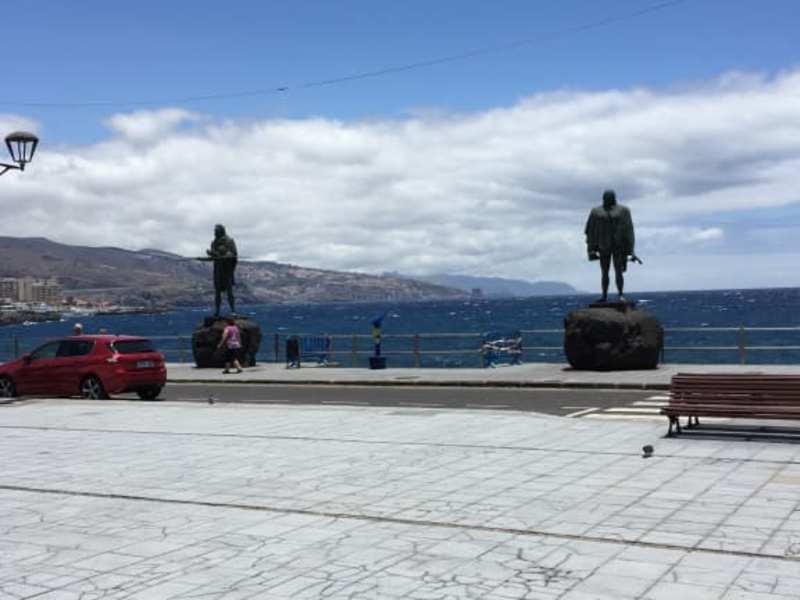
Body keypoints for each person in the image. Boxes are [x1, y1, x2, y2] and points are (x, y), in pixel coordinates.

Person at [584, 189, 635, 302]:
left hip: (618, 246)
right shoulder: (596, 212)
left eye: (610, 198)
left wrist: (631, 250)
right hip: (603, 245)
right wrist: (591, 249)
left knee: (619, 271)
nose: (608, 200)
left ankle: (620, 294)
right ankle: (604, 295)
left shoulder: (623, 211)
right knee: (604, 272)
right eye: (606, 198)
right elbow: (590, 230)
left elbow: (629, 230)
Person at [206, 224, 238, 317]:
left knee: (229, 291)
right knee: (217, 292)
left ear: (221, 231)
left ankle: (233, 310)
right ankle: (217, 311)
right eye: (214, 231)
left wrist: (226, 255)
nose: (214, 233)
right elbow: (214, 257)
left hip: (226, 270)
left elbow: (233, 253)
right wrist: (211, 254)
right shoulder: (214, 242)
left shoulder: (229, 241)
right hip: (218, 270)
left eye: (216, 231)